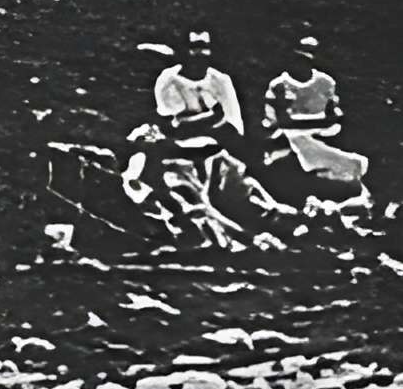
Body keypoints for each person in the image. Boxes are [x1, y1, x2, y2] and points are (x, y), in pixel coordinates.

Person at [120, 30, 270, 247]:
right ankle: (238, 239)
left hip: (216, 153)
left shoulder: (221, 80)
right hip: (179, 156)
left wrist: (196, 124)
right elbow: (173, 128)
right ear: (183, 51)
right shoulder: (168, 81)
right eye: (193, 47)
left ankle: (279, 228)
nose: (199, 54)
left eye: (204, 47)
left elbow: (231, 128)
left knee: (246, 196)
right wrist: (210, 118)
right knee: (191, 205)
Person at [259, 35, 371, 214]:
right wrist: (317, 124)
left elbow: (335, 122)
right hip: (287, 142)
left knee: (356, 166)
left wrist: (313, 126)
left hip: (321, 140)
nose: (303, 62)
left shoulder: (326, 83)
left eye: (309, 56)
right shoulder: (279, 86)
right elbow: (279, 125)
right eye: (299, 57)